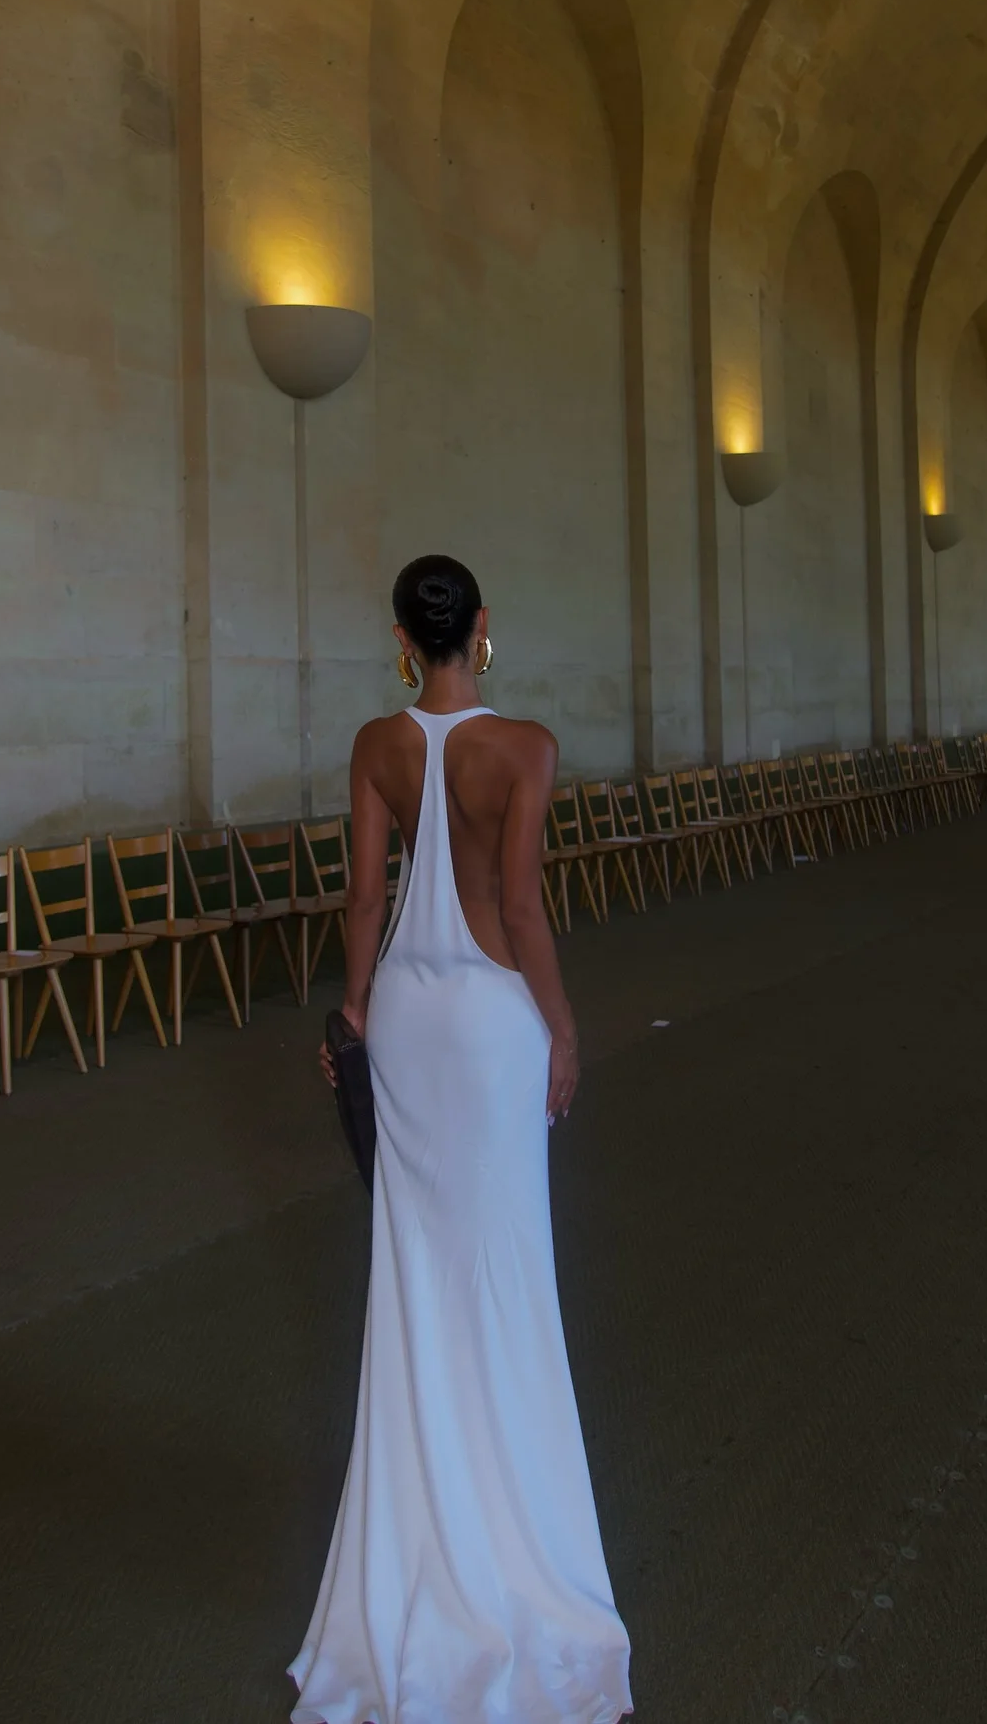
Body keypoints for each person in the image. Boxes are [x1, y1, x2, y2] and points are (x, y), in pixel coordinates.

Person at [288, 556, 633, 1724]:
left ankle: (417, 1540)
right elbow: (526, 906)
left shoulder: (377, 743)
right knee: (504, 1274)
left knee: (414, 1277)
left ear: (403, 636)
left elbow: (364, 898)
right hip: (489, 1020)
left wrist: (354, 1007)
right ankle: (510, 1532)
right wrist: (563, 1025)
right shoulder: (523, 746)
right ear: (480, 629)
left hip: (408, 1017)